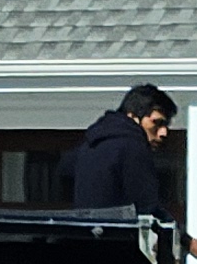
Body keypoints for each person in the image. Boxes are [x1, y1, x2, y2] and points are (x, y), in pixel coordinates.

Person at [63, 84, 177, 216]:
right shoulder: (133, 146)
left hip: (80, 233)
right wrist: (182, 236)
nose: (164, 132)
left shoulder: (89, 144)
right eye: (156, 122)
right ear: (133, 116)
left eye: (166, 125)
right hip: (120, 235)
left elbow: (64, 173)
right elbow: (147, 207)